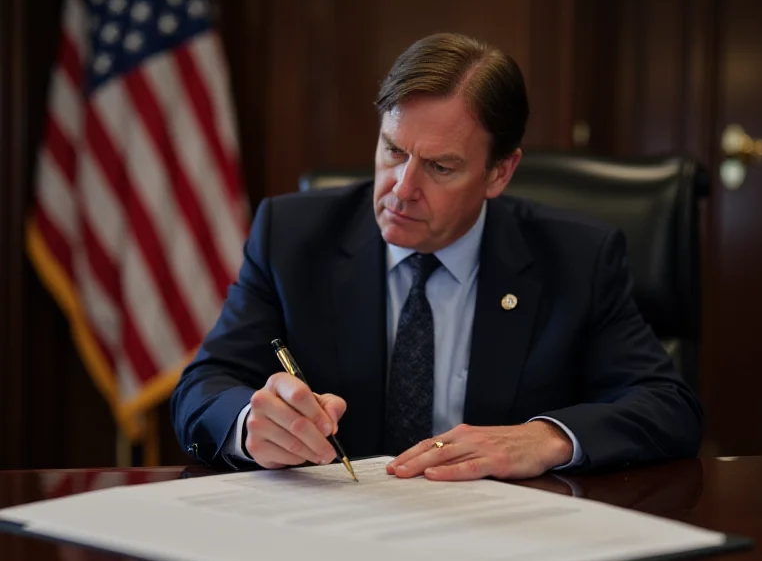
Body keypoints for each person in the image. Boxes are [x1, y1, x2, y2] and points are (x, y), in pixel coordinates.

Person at [170, 32, 702, 480]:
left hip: (503, 545)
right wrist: (249, 423)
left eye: (440, 167)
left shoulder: (577, 258)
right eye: (393, 151)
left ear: (499, 172)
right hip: (337, 538)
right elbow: (203, 386)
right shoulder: (291, 236)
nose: (401, 189)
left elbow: (668, 406)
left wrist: (546, 438)